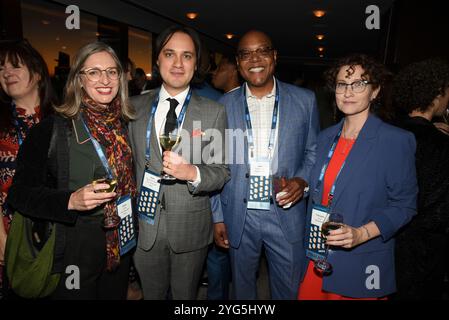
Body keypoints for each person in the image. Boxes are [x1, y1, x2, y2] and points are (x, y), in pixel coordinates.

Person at [7, 42, 136, 299]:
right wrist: (70, 200)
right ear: (79, 79)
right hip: (74, 245)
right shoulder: (52, 130)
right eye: (94, 72)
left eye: (112, 72)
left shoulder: (125, 125)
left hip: (120, 242)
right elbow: (19, 194)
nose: (105, 79)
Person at [297, 54, 418, 300]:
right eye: (342, 84)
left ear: (375, 92)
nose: (348, 92)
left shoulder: (395, 141)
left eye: (359, 84)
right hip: (316, 257)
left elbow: (405, 205)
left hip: (361, 263)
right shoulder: (324, 138)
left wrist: (361, 234)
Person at [212, 30, 320, 299]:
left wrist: (302, 182)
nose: (255, 59)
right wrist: (217, 217)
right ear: (238, 63)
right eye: (246, 54)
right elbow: (215, 165)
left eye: (262, 51)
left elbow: (313, 152)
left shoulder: (305, 101)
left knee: (289, 289)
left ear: (274, 56)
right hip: (239, 212)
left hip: (286, 208)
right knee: (242, 289)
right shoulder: (221, 106)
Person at [129, 25, 229, 300]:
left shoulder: (214, 111)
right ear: (158, 60)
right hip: (145, 227)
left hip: (191, 230)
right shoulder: (132, 107)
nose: (177, 63)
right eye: (169, 54)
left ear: (196, 64)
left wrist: (192, 172)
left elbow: (221, 172)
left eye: (187, 56)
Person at [0, 39, 56, 298]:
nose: (6, 73)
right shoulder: (2, 125)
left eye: (15, 66)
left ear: (36, 73)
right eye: (1, 68)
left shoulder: (61, 119)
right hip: (10, 230)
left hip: (56, 228)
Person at [392, 58, 449, 300]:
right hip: (422, 249)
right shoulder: (439, 144)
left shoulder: (386, 131)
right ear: (437, 95)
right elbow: (439, 210)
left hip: (382, 240)